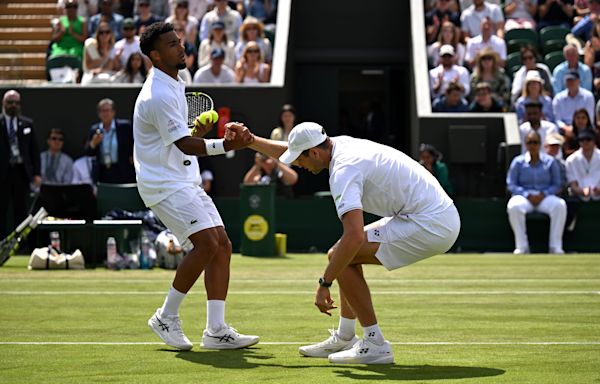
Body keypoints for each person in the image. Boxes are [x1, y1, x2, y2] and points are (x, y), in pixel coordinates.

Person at [233, 121, 461, 365]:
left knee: (342, 254)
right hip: (431, 214)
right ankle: (345, 337)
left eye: (299, 160)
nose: (298, 165)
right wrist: (251, 141)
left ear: (314, 153)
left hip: (431, 223)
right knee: (342, 254)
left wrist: (325, 283)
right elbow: (291, 150)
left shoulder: (344, 169)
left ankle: (375, 344)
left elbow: (353, 238)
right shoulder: (335, 144)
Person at [135, 22, 258, 351]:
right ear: (155, 55)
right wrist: (227, 146)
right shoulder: (157, 93)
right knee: (205, 244)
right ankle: (165, 316)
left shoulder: (177, 82)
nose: (181, 47)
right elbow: (185, 146)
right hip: (163, 184)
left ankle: (216, 331)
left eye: (180, 41)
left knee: (223, 245)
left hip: (182, 178)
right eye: (172, 44)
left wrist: (200, 132)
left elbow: (182, 141)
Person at [506, 130, 567, 254]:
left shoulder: (550, 161)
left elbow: (557, 184)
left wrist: (543, 194)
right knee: (513, 206)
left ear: (540, 144)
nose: (532, 145)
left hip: (545, 197)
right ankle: (522, 246)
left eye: (535, 142)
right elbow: (511, 184)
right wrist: (527, 194)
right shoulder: (518, 162)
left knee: (560, 205)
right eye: (530, 142)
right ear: (526, 144)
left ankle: (555, 247)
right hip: (525, 197)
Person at [0, 90, 41, 238]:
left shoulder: (27, 123)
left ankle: (21, 244)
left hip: (21, 172)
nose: (13, 106)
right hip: (2, 174)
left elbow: (34, 151)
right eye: (10, 102)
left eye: (16, 103)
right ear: (3, 103)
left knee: (21, 211)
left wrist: (37, 174)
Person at [85, 98, 135, 183]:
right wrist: (93, 143)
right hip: (102, 172)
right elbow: (88, 153)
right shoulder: (95, 129)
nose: (105, 113)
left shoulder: (124, 127)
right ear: (99, 114)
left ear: (113, 112)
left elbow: (133, 144)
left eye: (108, 110)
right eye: (102, 111)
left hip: (122, 171)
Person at [565, 128, 600, 200]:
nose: (585, 142)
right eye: (582, 140)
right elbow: (572, 184)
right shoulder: (571, 160)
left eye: (588, 139)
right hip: (578, 198)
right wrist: (581, 191)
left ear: (594, 141)